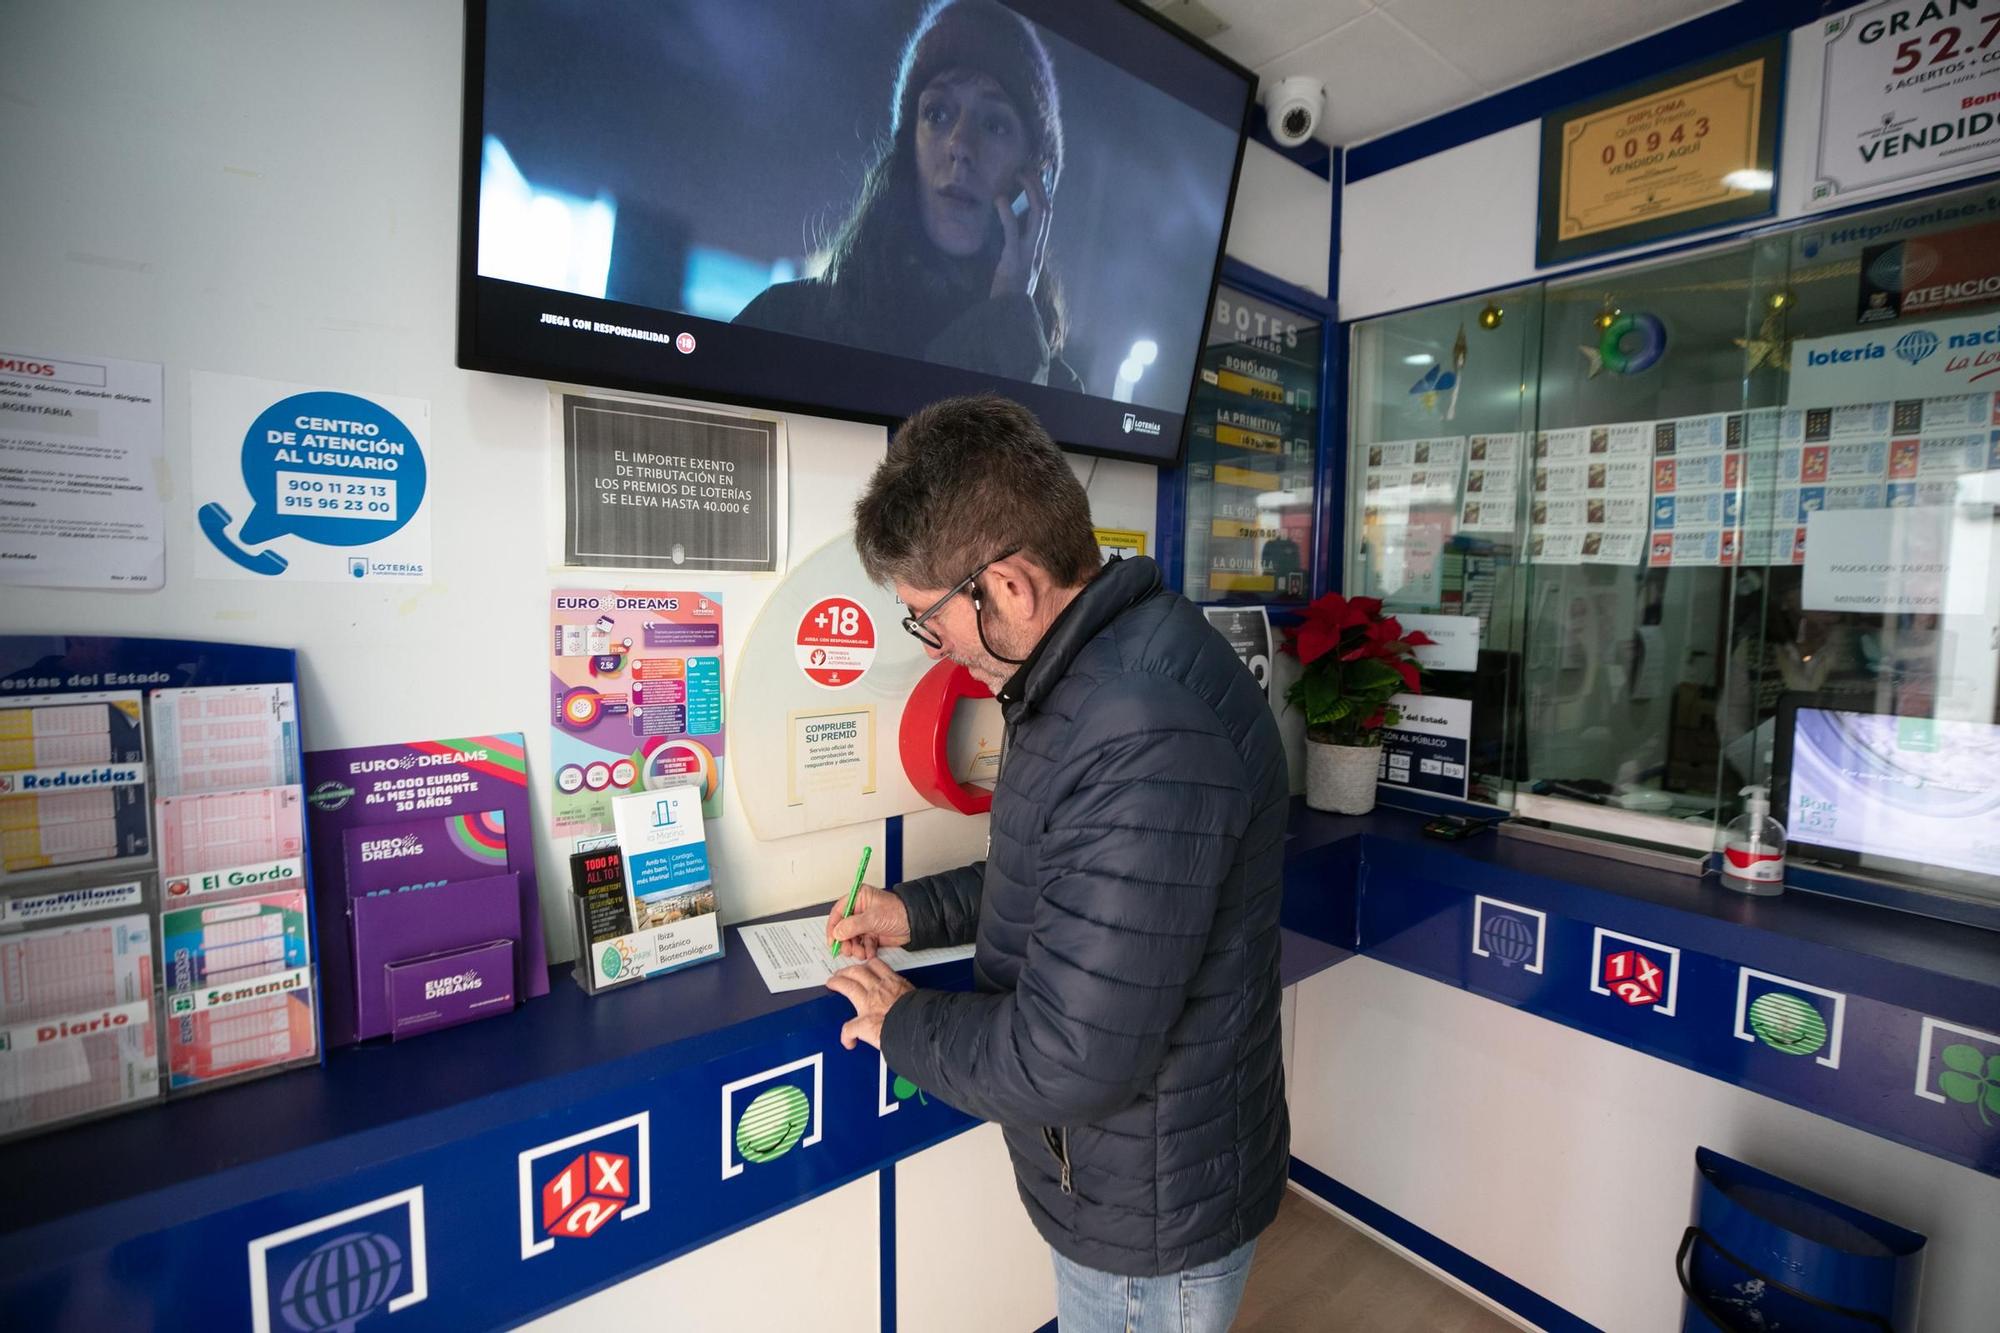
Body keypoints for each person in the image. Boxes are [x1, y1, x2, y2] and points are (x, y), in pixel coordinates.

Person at [823, 395, 1289, 1332]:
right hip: (1136, 1176)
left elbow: (1071, 1058)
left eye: (928, 619)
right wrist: (916, 913)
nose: (936, 646)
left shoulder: (1138, 717)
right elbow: (1073, 879)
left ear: (1007, 586)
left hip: (1148, 1213)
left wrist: (903, 1022)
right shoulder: (1098, 666)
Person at [733, 0, 1083, 393]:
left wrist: (1005, 326)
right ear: (906, 150)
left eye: (994, 124)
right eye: (937, 113)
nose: (960, 145)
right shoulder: (787, 324)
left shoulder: (1059, 392)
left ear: (1036, 179)